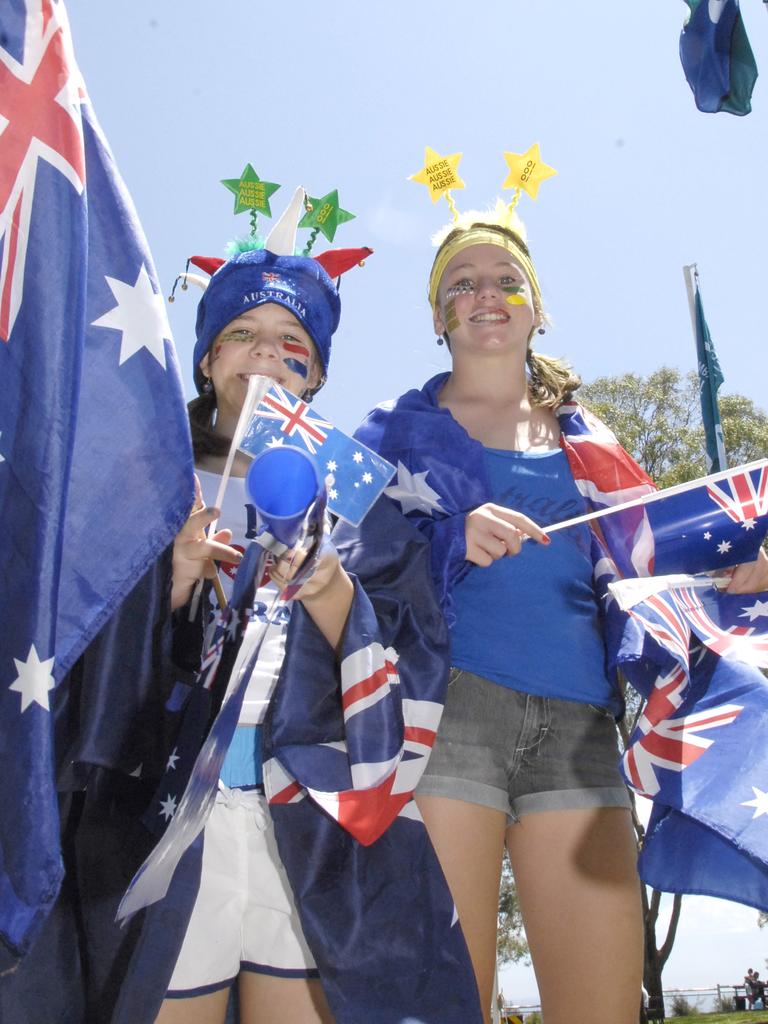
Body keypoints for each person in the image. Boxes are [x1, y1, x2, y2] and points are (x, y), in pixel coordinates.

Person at [355, 200, 768, 1024]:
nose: (486, 295)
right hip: (449, 717)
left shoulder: (594, 443)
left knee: (604, 1006)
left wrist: (735, 574)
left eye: (507, 281)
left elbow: (657, 566)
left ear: (538, 306)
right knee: (449, 1002)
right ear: (438, 316)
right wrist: (445, 536)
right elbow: (342, 556)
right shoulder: (395, 434)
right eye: (462, 284)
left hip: (580, 729)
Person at [122, 190, 480, 1024]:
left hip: (309, 821)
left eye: (292, 346)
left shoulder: (361, 496)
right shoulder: (144, 479)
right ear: (207, 358)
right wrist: (172, 582)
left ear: (314, 374)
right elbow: (75, 654)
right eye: (240, 335)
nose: (264, 357)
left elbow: (412, 653)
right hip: (168, 822)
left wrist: (330, 588)